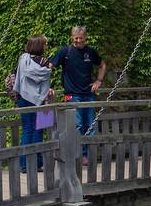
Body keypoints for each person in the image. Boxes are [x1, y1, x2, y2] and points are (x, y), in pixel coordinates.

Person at [51, 26, 106, 160]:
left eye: (81, 38)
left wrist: (99, 80)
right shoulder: (65, 51)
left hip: (88, 94)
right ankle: (78, 154)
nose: (78, 41)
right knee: (78, 125)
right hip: (72, 94)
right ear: (72, 37)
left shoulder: (90, 52)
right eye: (75, 38)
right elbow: (49, 66)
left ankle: (90, 155)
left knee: (91, 125)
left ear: (85, 37)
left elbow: (102, 65)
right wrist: (47, 86)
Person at [13, 34, 53, 173]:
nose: (46, 46)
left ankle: (24, 165)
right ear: (39, 46)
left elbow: (19, 77)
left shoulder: (23, 59)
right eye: (44, 44)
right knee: (39, 129)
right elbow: (44, 80)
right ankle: (37, 164)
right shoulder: (45, 62)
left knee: (27, 129)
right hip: (41, 99)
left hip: (23, 97)